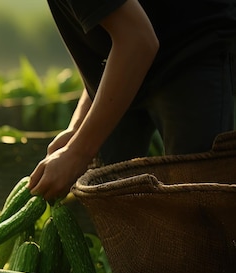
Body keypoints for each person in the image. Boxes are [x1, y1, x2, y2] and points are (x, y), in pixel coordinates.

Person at [28, 0, 236, 202]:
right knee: (112, 199)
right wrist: (76, 130)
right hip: (135, 51)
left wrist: (78, 152)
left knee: (197, 200)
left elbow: (138, 39)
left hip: (190, 47)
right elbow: (110, 38)